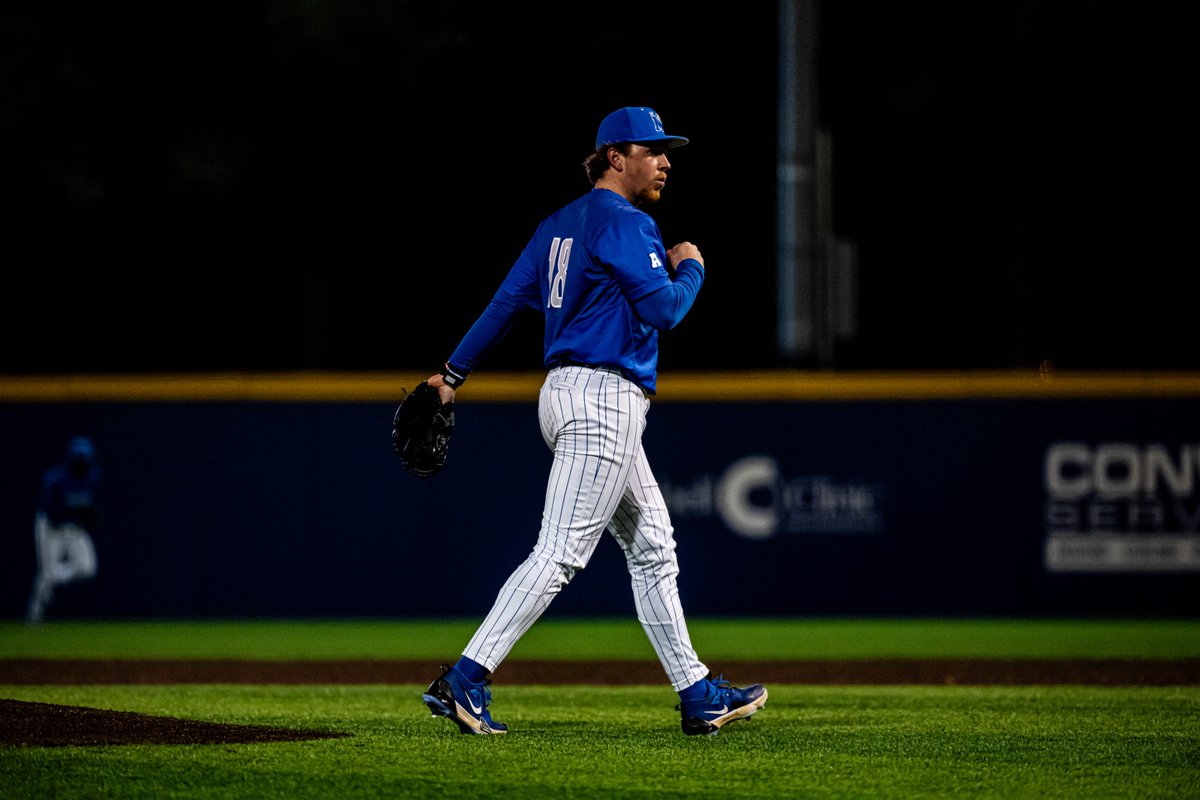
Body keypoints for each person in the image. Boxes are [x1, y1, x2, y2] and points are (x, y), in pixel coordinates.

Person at [418, 106, 767, 736]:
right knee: (559, 553)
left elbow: (504, 304)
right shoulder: (628, 223)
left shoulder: (558, 225)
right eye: (652, 149)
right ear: (614, 156)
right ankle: (466, 679)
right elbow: (664, 310)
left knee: (654, 546)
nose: (664, 161)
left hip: (571, 395)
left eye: (668, 151)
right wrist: (692, 265)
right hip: (602, 398)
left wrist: (451, 374)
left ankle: (697, 693)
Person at [26, 436, 102, 625]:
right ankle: (34, 616)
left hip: (74, 528)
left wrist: (88, 515)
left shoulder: (92, 477)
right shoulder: (56, 478)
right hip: (51, 528)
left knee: (87, 568)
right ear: (72, 459)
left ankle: (54, 580)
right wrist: (76, 509)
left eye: (85, 459)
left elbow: (91, 507)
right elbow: (51, 511)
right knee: (47, 573)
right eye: (79, 459)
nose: (82, 463)